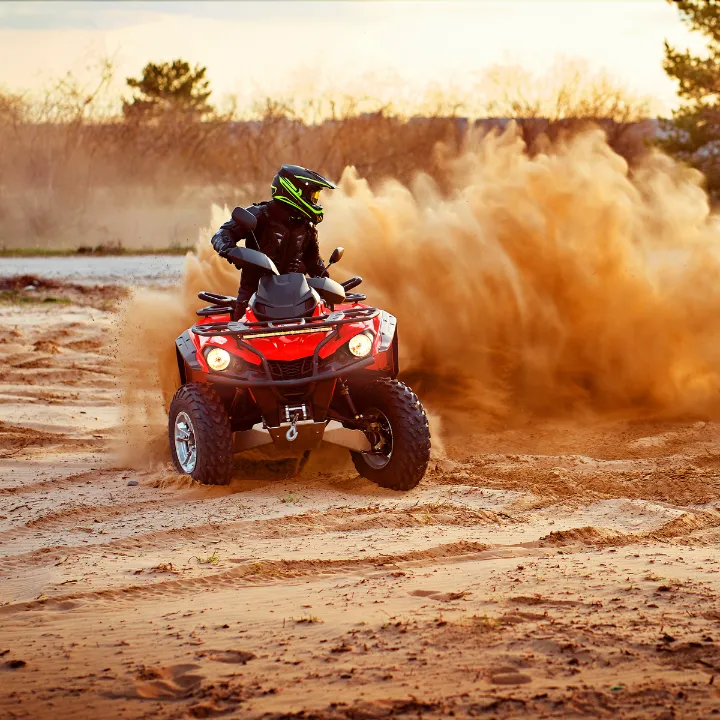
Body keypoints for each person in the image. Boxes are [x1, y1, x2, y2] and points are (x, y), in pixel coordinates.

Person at [210, 164, 337, 320]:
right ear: (294, 191)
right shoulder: (259, 215)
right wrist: (230, 250)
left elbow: (312, 260)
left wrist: (327, 283)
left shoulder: (307, 225)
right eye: (313, 196)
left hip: (299, 299)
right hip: (253, 297)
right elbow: (221, 234)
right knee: (236, 333)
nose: (315, 201)